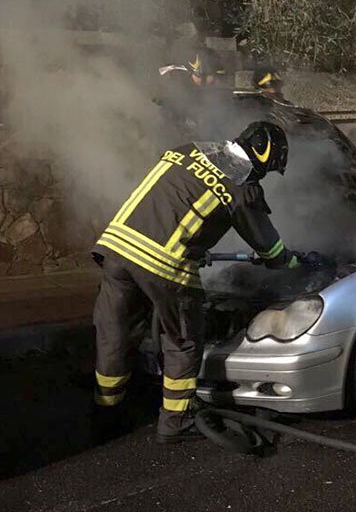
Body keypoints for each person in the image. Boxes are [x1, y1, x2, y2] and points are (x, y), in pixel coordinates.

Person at [91, 120, 321, 444]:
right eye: (266, 170)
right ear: (262, 159)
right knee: (184, 341)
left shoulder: (184, 152)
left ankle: (107, 411)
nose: (262, 177)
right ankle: (176, 420)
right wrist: (292, 261)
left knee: (115, 331)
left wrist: (197, 246)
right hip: (164, 266)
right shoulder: (240, 187)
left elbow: (174, 204)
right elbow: (269, 248)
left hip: (116, 249)